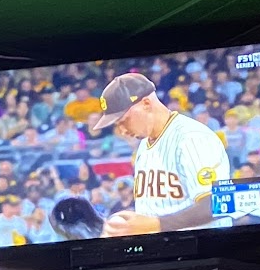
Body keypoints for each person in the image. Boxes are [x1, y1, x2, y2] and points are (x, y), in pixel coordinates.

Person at [89, 72, 232, 236]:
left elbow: (219, 203)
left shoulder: (192, 137)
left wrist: (156, 225)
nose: (122, 131)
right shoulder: (144, 145)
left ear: (146, 104)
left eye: (124, 121)